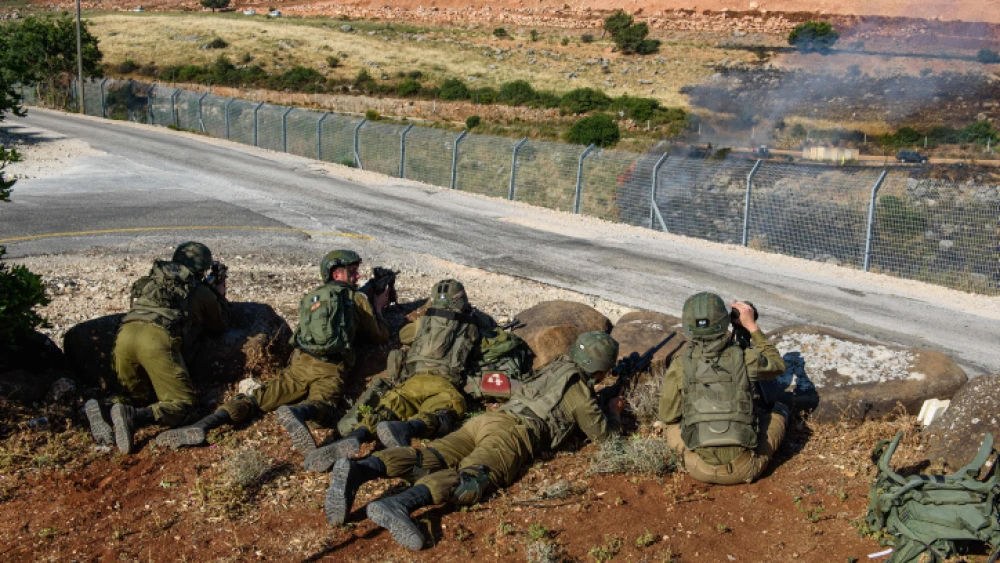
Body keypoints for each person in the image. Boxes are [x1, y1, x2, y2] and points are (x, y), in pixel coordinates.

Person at [324, 331, 623, 551]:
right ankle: (401, 503)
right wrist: (613, 412)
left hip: (487, 421)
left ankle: (361, 469)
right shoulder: (581, 394)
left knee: (431, 457)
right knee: (473, 477)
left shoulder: (558, 365)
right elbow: (604, 436)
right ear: (600, 370)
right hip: (515, 435)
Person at [155, 250, 389, 454]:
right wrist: (378, 307)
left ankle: (205, 424)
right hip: (330, 368)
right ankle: (298, 413)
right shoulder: (355, 299)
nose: (357, 276)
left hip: (300, 364)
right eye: (353, 272)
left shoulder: (314, 297)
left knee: (257, 399)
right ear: (337, 274)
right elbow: (380, 335)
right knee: (323, 407)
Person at [304, 279, 493, 472]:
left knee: (388, 407)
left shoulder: (425, 321)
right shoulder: (474, 325)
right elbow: (492, 348)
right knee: (442, 411)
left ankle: (358, 435)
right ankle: (408, 428)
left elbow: (404, 335)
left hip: (413, 381)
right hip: (444, 384)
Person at [84, 241, 230, 454]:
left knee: (137, 397)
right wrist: (218, 294)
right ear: (203, 270)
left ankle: (105, 409)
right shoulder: (200, 291)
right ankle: (136, 417)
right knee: (184, 406)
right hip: (155, 340)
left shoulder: (153, 281)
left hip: (125, 335)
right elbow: (220, 326)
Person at [657, 292, 788, 485]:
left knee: (669, 426)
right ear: (725, 321)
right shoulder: (745, 357)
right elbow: (777, 365)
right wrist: (751, 326)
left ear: (688, 327)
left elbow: (668, 416)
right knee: (779, 411)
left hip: (697, 468)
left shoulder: (680, 365)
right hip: (744, 468)